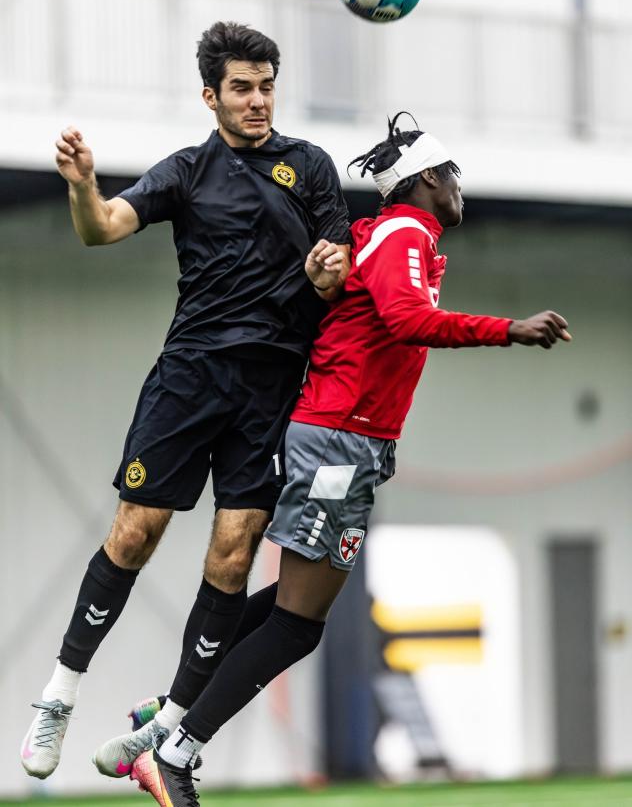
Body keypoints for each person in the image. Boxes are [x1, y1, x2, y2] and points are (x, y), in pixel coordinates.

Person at [124, 113, 571, 807]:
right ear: (429, 178)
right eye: (453, 177)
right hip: (339, 440)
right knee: (299, 624)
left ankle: (171, 707)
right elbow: (406, 319)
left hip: (346, 439)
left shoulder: (389, 235)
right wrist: (508, 328)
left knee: (291, 607)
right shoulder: (404, 234)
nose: (460, 191)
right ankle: (174, 751)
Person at [20, 21, 351, 780]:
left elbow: (336, 272)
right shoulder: (186, 171)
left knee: (232, 556)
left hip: (271, 390)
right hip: (189, 378)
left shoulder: (310, 166)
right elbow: (102, 229)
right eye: (242, 88)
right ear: (211, 97)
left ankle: (168, 727)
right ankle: (59, 695)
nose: (258, 100)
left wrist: (328, 273)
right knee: (135, 533)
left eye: (267, 86)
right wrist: (82, 186)